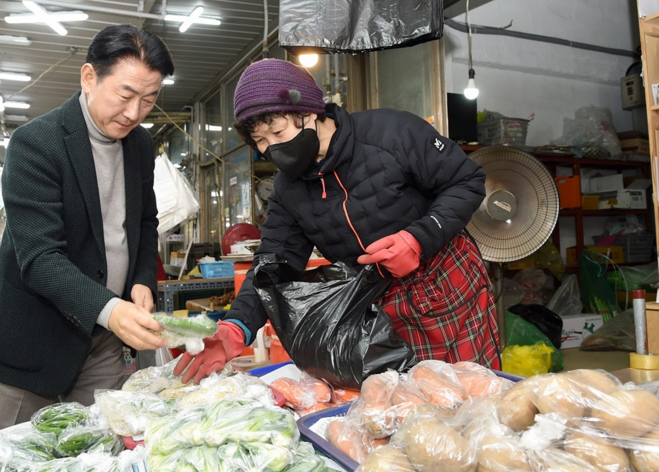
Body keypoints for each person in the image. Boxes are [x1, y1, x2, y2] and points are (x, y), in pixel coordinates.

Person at [174, 58, 500, 384]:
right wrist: (237, 325)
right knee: (406, 412)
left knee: (474, 398)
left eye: (277, 131)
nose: (272, 147)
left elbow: (466, 181)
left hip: (449, 287)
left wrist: (419, 237)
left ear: (311, 112)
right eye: (260, 141)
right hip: (377, 305)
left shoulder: (393, 132)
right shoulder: (289, 189)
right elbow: (272, 263)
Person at [0, 24, 174, 439]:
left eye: (149, 101)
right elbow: (40, 260)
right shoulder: (36, 144)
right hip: (31, 342)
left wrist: (142, 279)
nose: (134, 113)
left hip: (103, 345)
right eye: (126, 95)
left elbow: (145, 222)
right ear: (89, 77)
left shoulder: (140, 145)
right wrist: (112, 310)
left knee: (98, 451)